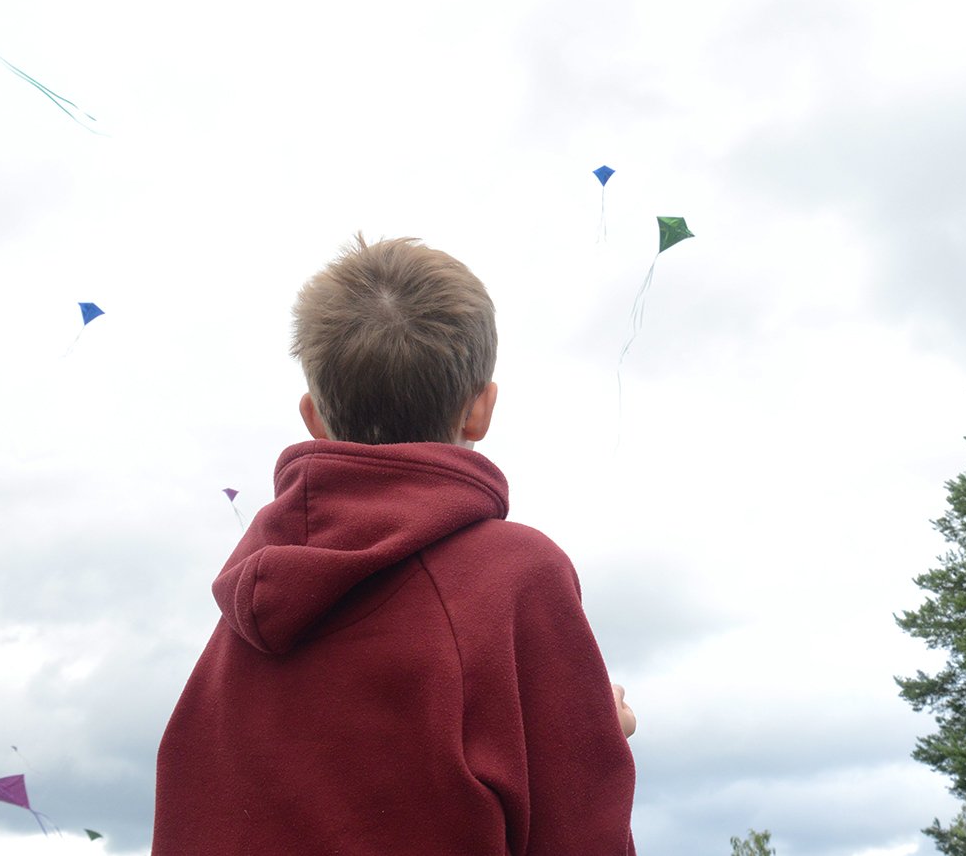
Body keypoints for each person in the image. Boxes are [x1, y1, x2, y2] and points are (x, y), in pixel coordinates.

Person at [154, 236, 637, 855]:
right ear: (480, 411)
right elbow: (577, 833)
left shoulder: (227, 653)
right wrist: (591, 736)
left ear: (314, 419)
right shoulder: (515, 575)